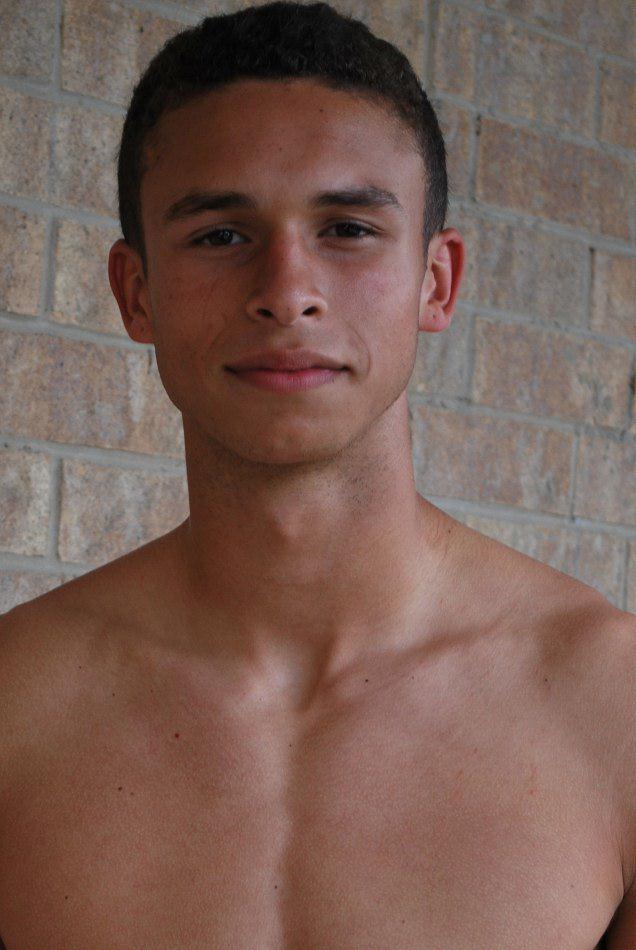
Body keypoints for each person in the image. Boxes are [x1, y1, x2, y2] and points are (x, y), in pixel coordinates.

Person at [0, 2, 634, 946]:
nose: (287, 291)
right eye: (220, 235)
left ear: (436, 281)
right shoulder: (15, 701)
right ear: (136, 292)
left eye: (346, 228)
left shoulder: (612, 705)